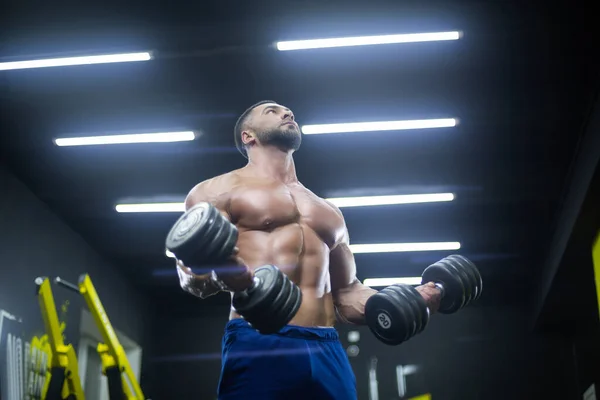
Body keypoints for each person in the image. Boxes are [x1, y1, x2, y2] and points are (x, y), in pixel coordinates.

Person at [175, 100, 442, 400]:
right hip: (259, 339)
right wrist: (230, 275)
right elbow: (191, 277)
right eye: (271, 111)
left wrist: (402, 300)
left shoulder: (328, 211)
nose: (287, 113)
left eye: (288, 110)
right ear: (247, 136)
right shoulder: (216, 191)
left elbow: (346, 293)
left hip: (326, 346)